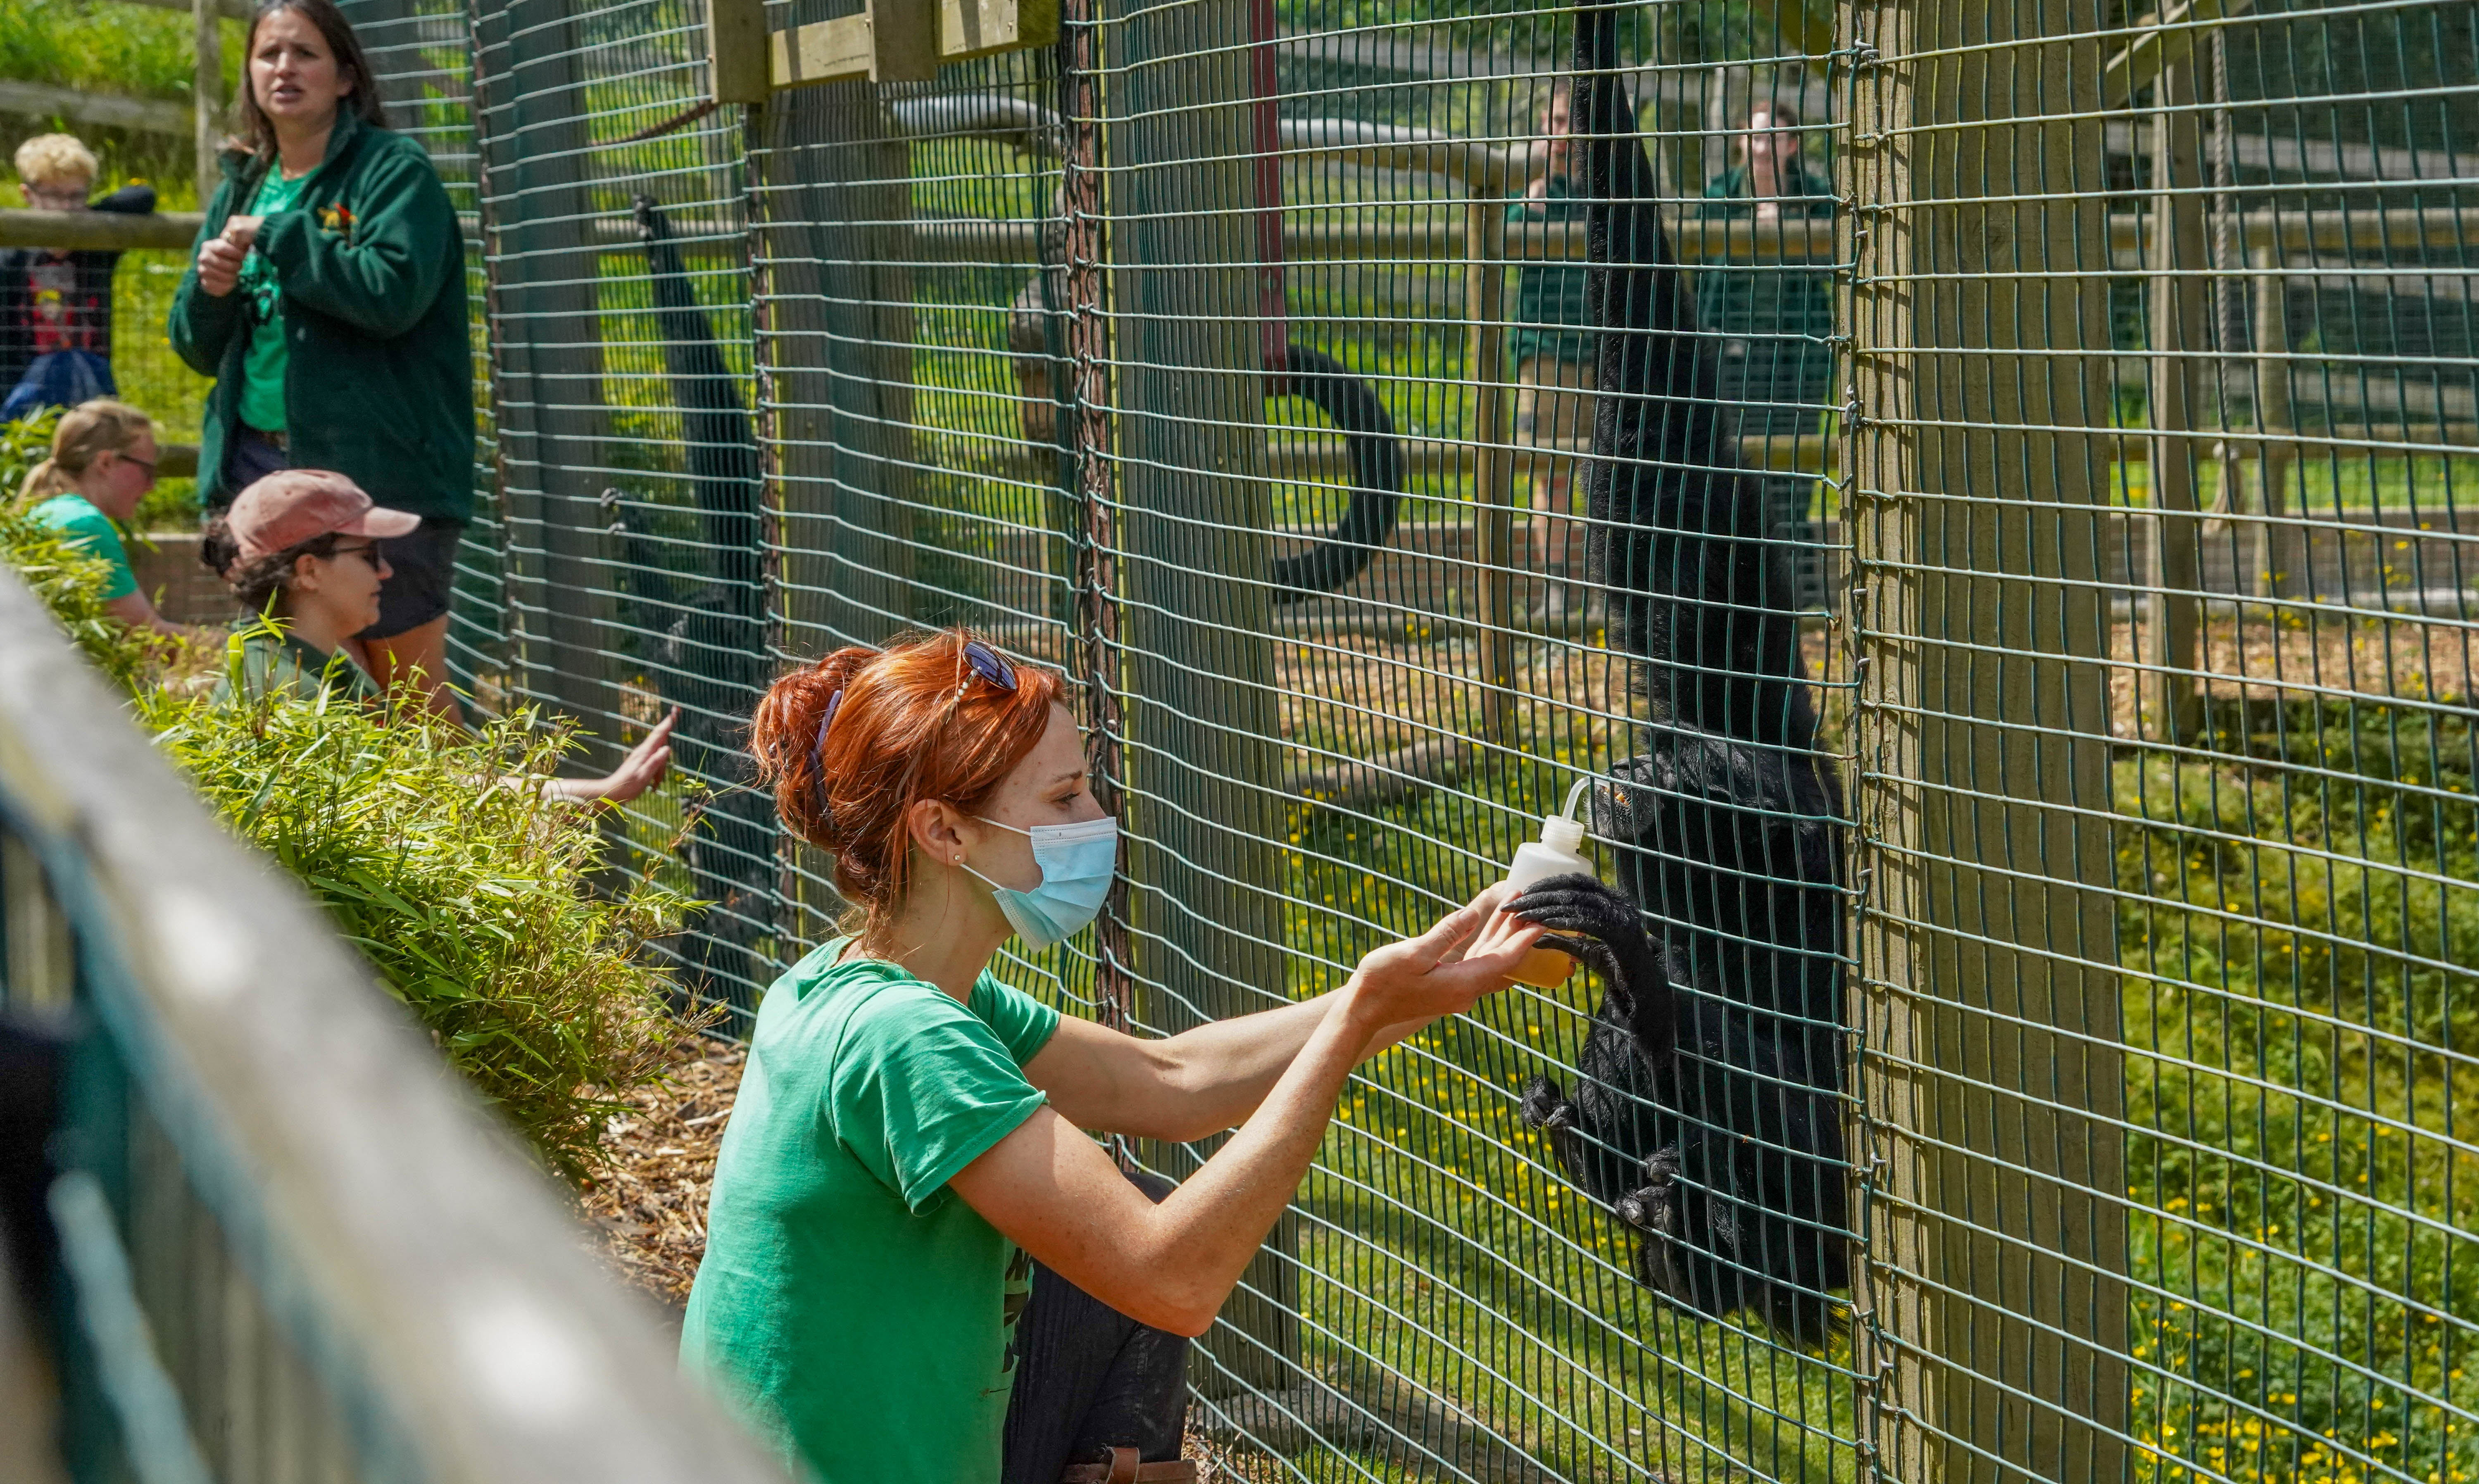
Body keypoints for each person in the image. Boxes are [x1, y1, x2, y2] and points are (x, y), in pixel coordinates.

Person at [680, 631, 1558, 1484]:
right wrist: (1358, 1016)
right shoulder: (905, 1037)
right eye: (1064, 799)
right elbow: (1170, 1276)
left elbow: (1169, 1082)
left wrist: (1419, 986)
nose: (1097, 821)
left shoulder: (849, 981)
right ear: (945, 830)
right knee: (1123, 1240)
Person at [169, 0, 473, 721]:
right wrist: (211, 291)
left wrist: (284, 233)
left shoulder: (393, 171)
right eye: (268, 53)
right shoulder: (244, 178)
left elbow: (393, 295)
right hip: (259, 474)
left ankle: (499, 837)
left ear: (345, 77)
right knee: (308, 692)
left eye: (305, 52)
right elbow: (194, 345)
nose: (284, 66)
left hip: (377, 474)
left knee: (409, 697)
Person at [201, 469, 673, 805]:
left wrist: (606, 789)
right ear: (309, 571)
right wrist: (603, 791)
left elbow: (429, 784)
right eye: (368, 554)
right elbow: (427, 799)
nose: (386, 570)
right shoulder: (293, 696)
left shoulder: (298, 662)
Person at [1699, 100, 1836, 603]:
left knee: (1796, 469)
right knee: (1738, 465)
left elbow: (1830, 267)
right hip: (1734, 355)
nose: (1763, 148)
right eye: (1756, 138)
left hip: (1797, 356)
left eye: (1774, 139)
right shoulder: (1720, 195)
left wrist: (1790, 227)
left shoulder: (1816, 196)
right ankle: (1742, 590)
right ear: (1742, 141)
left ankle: (1799, 590)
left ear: (1792, 145)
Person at [1506, 82, 1592, 621]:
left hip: (1603, 357)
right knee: (1552, 477)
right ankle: (1557, 595)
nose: (1566, 133)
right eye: (1558, 122)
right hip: (1546, 359)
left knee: (1612, 479)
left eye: (1574, 122)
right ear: (1545, 126)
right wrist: (1528, 203)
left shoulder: (1606, 190)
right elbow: (1504, 245)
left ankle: (1617, 595)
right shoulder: (1528, 193)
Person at [0, 134, 157, 419]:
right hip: (22, 390)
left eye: (76, 196)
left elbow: (143, 196)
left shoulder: (95, 248)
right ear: (28, 195)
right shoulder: (11, 257)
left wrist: (88, 220)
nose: (67, 208)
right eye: (55, 196)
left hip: (90, 387)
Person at [15, 399, 184, 637]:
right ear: (105, 463)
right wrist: (230, 643)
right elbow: (146, 639)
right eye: (147, 471)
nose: (152, 487)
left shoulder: (47, 511)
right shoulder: (85, 524)